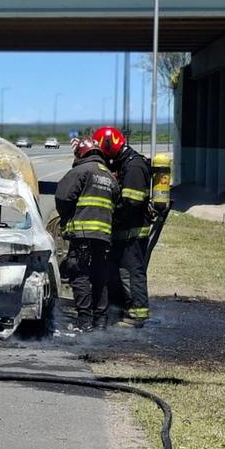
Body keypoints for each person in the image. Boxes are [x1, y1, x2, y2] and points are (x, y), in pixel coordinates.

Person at [55, 137, 119, 333]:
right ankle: (100, 320)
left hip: (82, 233)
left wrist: (66, 218)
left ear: (81, 153)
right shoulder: (109, 176)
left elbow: (63, 198)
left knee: (79, 274)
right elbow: (117, 203)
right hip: (103, 236)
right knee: (99, 275)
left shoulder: (80, 171)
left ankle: (85, 321)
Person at [94, 125, 153, 328]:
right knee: (120, 272)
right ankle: (121, 311)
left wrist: (114, 217)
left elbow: (132, 202)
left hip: (133, 232)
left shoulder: (134, 166)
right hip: (125, 231)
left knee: (131, 272)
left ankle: (137, 316)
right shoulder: (123, 163)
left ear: (109, 145)